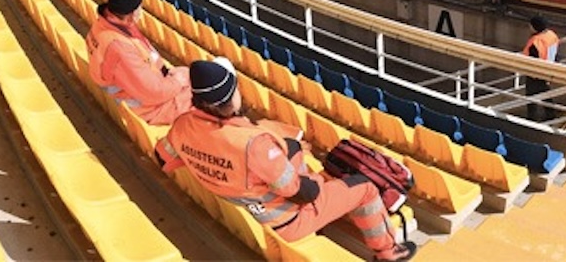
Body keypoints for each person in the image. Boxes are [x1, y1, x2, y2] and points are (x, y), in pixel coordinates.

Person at [154, 58, 417, 262]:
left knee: (292, 146)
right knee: (365, 188)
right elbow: (305, 194)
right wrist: (316, 181)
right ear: (231, 97)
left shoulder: (182, 125)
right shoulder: (254, 145)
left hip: (243, 207)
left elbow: (162, 158)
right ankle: (387, 251)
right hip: (288, 220)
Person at [85, 0, 192, 125]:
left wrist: (170, 75)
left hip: (143, 90)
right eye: (139, 8)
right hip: (149, 108)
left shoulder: (103, 26)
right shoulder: (119, 48)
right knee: (208, 97)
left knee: (194, 75)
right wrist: (177, 82)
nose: (141, 11)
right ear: (130, 15)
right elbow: (153, 92)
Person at [521, 15, 560, 122]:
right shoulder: (551, 35)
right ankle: (551, 115)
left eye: (530, 26)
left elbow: (532, 59)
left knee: (531, 96)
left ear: (535, 27)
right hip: (548, 69)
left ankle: (531, 119)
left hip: (536, 73)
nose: (529, 27)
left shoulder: (536, 41)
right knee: (546, 93)